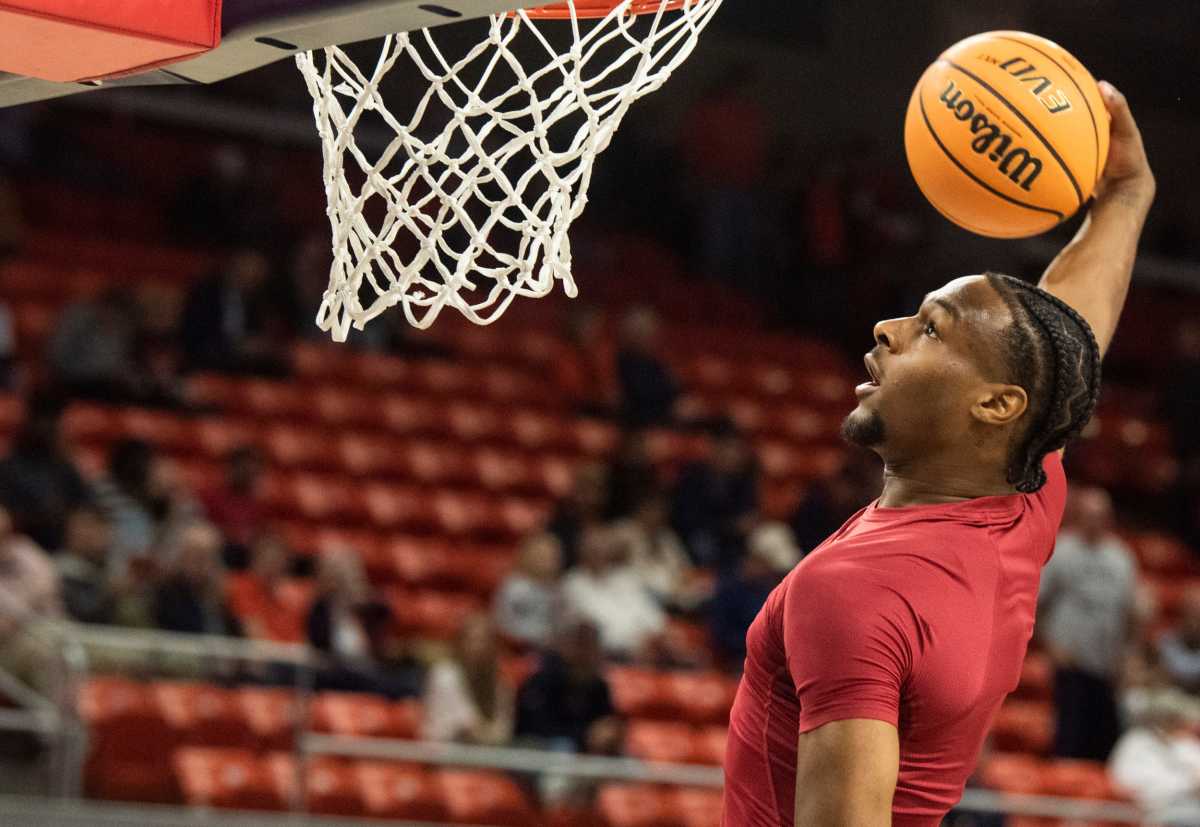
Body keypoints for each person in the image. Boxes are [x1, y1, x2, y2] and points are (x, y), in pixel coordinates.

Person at [721, 83, 1154, 827]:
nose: (887, 327)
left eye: (931, 329)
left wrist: (1124, 197)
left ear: (994, 405)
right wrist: (1125, 196)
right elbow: (1066, 338)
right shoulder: (1025, 493)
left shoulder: (854, 589)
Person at [1036, 486, 1139, 761]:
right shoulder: (1061, 551)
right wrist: (1052, 647)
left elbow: (1129, 611)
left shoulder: (1122, 557)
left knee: (1106, 740)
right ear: (1078, 515)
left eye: (1101, 515)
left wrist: (1127, 656)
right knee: (1070, 737)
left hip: (1107, 665)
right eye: (1089, 514)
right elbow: (1037, 605)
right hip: (1070, 664)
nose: (1095, 520)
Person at [91, 438, 201, 576]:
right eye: (152, 469)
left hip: (163, 573)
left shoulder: (177, 503)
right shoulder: (105, 491)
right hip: (113, 573)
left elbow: (194, 532)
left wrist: (174, 507)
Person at [561, 524, 666, 660]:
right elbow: (592, 631)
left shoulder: (626, 577)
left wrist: (650, 638)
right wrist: (633, 643)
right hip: (606, 656)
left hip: (647, 649)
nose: (599, 553)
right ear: (582, 551)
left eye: (603, 548)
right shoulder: (572, 584)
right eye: (594, 549)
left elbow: (654, 618)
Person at [515, 620, 621, 754]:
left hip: (579, 750)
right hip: (537, 748)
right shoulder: (543, 679)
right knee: (563, 747)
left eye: (589, 644)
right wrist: (585, 735)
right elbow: (535, 725)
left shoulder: (599, 686)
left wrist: (607, 730)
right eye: (580, 643)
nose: (583, 652)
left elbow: (606, 720)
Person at [0, 393, 88, 551]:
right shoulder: (9, 468)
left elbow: (85, 509)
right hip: (20, 548)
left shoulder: (64, 468)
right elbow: (7, 517)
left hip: (64, 551)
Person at [709, 522, 801, 670]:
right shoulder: (730, 590)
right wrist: (762, 644)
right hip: (740, 665)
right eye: (770, 567)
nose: (774, 575)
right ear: (756, 559)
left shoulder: (775, 589)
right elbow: (721, 635)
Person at [671, 420, 759, 571]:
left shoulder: (742, 481)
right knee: (702, 543)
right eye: (729, 449)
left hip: (731, 544)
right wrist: (731, 526)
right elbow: (688, 519)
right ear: (716, 449)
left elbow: (748, 516)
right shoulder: (693, 476)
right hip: (695, 538)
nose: (734, 456)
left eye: (738, 451)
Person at [422, 613, 515, 746]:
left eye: (485, 640)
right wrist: (490, 734)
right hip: (446, 756)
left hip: (484, 757)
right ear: (459, 642)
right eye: (473, 639)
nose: (479, 647)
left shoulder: (501, 684)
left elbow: (503, 732)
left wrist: (492, 735)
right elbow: (467, 728)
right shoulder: (444, 675)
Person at [1108, 687, 1200, 817]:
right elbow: (1128, 782)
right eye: (1175, 720)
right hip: (1149, 813)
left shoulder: (1182, 743)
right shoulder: (1135, 742)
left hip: (1186, 808)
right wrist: (1190, 784)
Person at [610, 492, 704, 611]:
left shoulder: (668, 536)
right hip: (639, 596)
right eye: (652, 509)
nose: (657, 515)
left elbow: (687, 571)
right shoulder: (622, 532)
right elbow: (616, 571)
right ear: (640, 510)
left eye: (661, 511)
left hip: (676, 597)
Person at [153, 521, 241, 637]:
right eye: (196, 555)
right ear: (180, 556)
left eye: (209, 556)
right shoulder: (165, 594)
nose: (201, 564)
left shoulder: (222, 598)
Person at [225, 533, 305, 643]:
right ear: (255, 557)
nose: (273, 564)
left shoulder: (294, 594)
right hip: (265, 655)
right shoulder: (242, 586)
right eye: (268, 557)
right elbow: (255, 635)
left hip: (292, 655)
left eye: (278, 558)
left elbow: (302, 637)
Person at [493, 532, 563, 650]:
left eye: (551, 556)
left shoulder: (559, 589)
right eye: (541, 556)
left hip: (550, 649)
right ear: (527, 556)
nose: (547, 561)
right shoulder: (514, 589)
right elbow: (506, 628)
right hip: (520, 650)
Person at [200, 445, 267, 567]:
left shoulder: (258, 504)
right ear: (231, 468)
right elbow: (204, 527)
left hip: (247, 552)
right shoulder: (210, 496)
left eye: (252, 470)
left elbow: (259, 532)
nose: (247, 473)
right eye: (243, 468)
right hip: (219, 550)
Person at [614, 306, 681, 429]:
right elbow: (638, 399)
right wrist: (673, 406)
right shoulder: (624, 362)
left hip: (666, 419)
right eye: (647, 333)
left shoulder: (653, 362)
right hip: (641, 424)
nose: (654, 338)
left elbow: (673, 387)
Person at [56, 503, 121, 625]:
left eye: (100, 526)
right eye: (85, 526)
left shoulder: (108, 569)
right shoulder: (56, 570)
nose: (90, 534)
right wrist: (109, 593)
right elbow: (82, 616)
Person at [1156, 586, 1200, 693]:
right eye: (1188, 615)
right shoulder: (1165, 642)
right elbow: (1159, 679)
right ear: (1180, 616)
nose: (1192, 623)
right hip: (1172, 699)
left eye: (1197, 617)